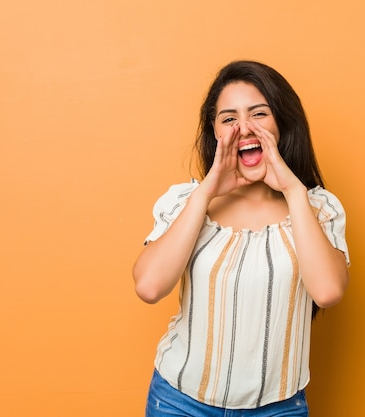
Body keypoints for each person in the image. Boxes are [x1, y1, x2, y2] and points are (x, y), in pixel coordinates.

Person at [133, 60, 350, 416]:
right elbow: (149, 287)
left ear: (283, 124)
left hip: (278, 409)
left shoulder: (318, 208)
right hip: (178, 402)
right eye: (229, 119)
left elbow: (327, 292)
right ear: (215, 133)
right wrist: (205, 195)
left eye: (259, 114)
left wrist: (294, 192)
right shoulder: (186, 202)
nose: (244, 128)